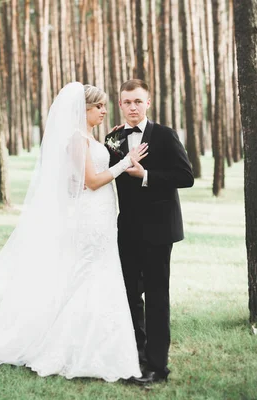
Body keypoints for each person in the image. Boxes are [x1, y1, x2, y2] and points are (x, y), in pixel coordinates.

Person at [0, 82, 148, 382]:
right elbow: (91, 182)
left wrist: (112, 149)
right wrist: (126, 163)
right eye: (99, 107)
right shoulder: (77, 140)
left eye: (105, 106)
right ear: (84, 109)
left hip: (103, 214)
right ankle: (71, 347)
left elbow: (76, 180)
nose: (105, 111)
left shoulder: (91, 139)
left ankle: (104, 344)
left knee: (103, 273)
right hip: (91, 217)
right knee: (89, 275)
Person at [104, 79, 194, 384]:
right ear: (120, 104)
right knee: (129, 296)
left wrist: (146, 176)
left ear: (148, 103)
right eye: (127, 102)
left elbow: (186, 176)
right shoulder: (112, 139)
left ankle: (158, 367)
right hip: (126, 229)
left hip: (159, 230)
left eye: (137, 102)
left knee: (156, 297)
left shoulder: (165, 135)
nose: (132, 107)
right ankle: (136, 359)